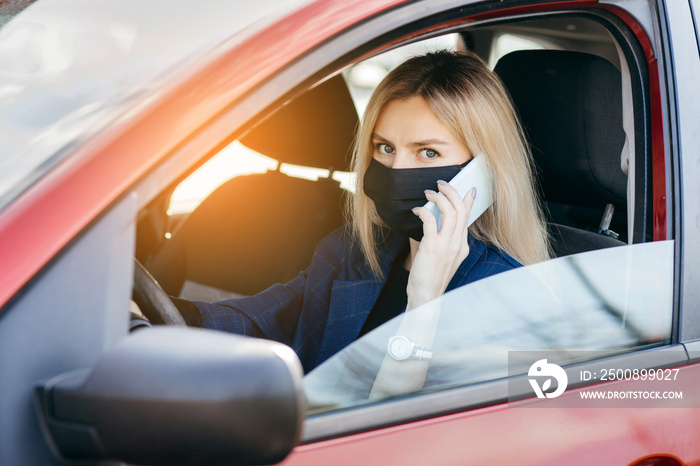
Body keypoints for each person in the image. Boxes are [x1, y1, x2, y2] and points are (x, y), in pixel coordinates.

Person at [175, 50, 550, 374]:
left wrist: (424, 302)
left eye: (428, 152)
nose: (396, 169)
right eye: (384, 147)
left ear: (481, 172)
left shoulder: (508, 295)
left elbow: (411, 434)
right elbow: (264, 319)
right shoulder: (353, 250)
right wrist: (157, 316)